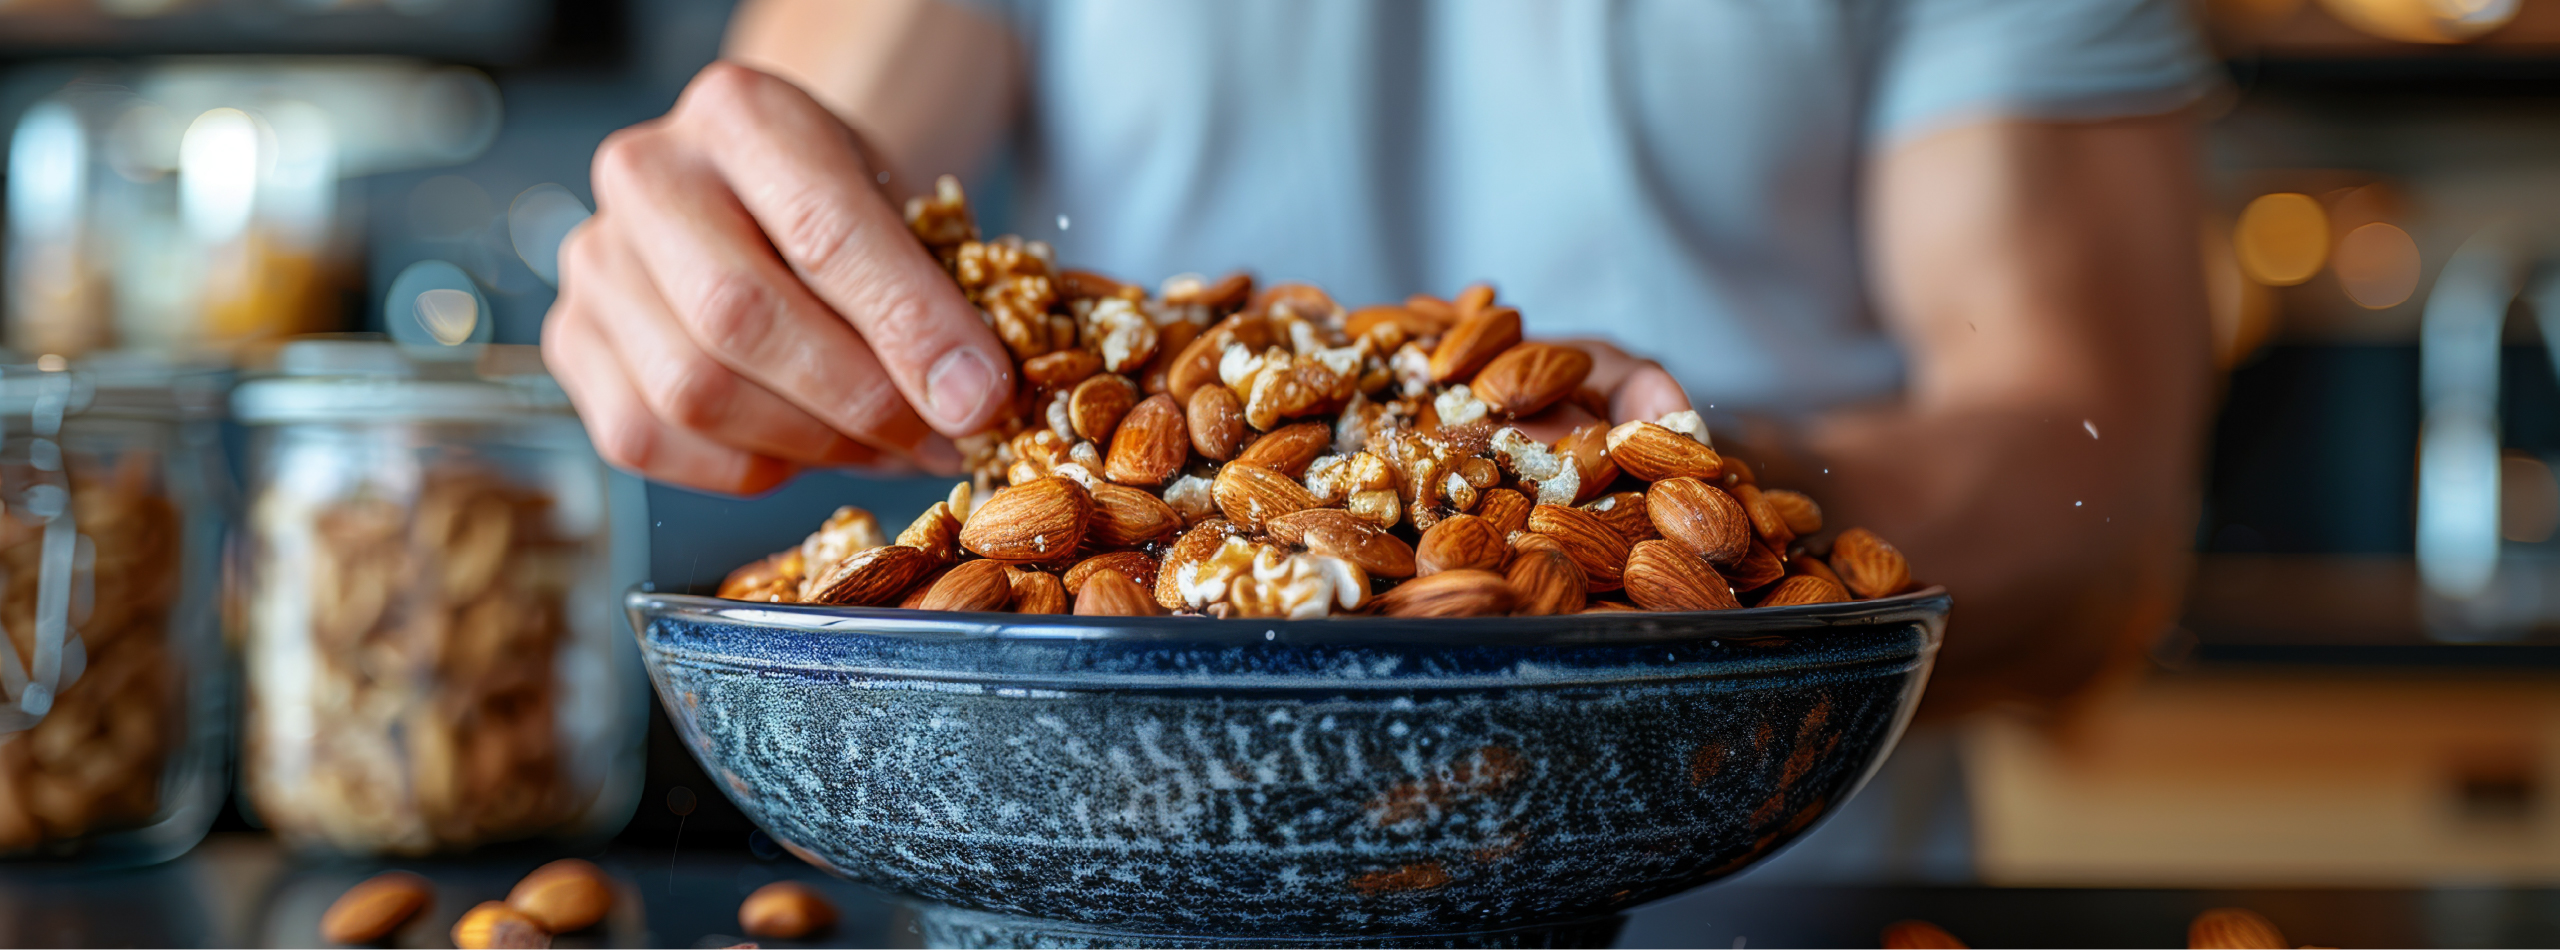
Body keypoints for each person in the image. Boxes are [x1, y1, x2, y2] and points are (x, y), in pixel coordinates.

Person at [542, 0, 2218, 718]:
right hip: (1102, 877)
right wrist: (728, 272)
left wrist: (1661, 504)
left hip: (1761, 898)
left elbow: (2098, 500)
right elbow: (809, 188)